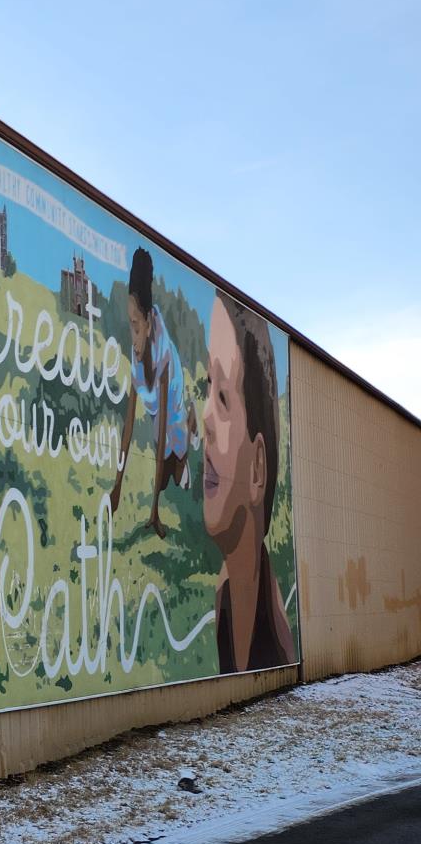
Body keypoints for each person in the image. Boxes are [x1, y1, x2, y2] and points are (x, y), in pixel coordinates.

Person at [204, 293, 294, 673]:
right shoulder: (224, 603)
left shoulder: (279, 644)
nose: (205, 416)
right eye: (205, 389)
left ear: (258, 470)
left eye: (222, 398)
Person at [110, 246, 196, 537]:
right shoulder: (136, 356)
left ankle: (192, 426)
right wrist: (116, 488)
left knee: (175, 470)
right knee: (164, 478)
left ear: (147, 323)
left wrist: (154, 510)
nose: (132, 336)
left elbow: (159, 447)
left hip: (172, 416)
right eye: (129, 325)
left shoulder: (163, 356)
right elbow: (128, 427)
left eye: (135, 326)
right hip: (156, 413)